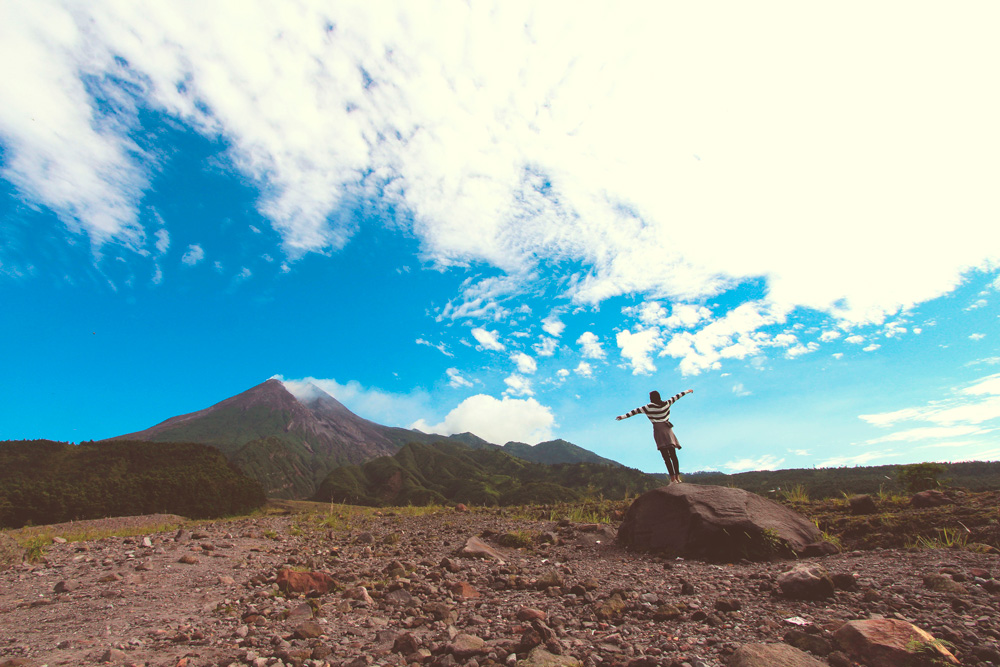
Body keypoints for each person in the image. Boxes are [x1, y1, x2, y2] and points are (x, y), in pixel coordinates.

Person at [616, 389, 693, 484]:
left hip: (659, 431)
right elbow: (677, 396)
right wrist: (688, 391)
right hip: (668, 430)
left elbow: (634, 411)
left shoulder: (648, 407)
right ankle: (677, 478)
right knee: (673, 455)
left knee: (666, 457)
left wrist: (622, 417)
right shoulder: (667, 403)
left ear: (651, 398)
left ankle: (672, 479)